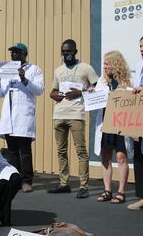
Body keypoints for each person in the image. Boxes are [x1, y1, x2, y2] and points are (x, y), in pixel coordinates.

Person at [49, 39, 99, 198]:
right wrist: (54, 95)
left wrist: (81, 92)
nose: (66, 54)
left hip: (76, 115)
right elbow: (52, 91)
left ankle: (83, 186)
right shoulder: (58, 70)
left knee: (81, 151)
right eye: (63, 51)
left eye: (69, 51)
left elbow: (98, 87)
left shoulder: (85, 68)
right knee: (61, 151)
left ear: (75, 52)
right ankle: (64, 183)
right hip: (59, 114)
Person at [0, 43, 44, 193]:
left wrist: (24, 78)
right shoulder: (7, 70)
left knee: (25, 150)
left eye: (17, 53)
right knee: (12, 151)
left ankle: (27, 181)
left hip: (23, 116)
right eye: (12, 53)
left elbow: (39, 90)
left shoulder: (34, 69)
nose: (13, 55)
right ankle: (15, 179)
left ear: (24, 54)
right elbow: (1, 93)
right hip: (9, 116)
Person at [93, 51, 132, 204]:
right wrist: (92, 93)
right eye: (104, 64)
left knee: (121, 156)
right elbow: (96, 99)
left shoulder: (126, 81)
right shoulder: (102, 81)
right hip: (106, 123)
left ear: (116, 64)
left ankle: (121, 191)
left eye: (107, 64)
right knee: (105, 156)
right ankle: (107, 190)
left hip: (121, 124)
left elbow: (131, 100)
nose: (105, 67)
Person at [128, 36, 143, 211]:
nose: (142, 49)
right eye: (140, 46)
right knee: (139, 157)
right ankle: (141, 197)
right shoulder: (139, 66)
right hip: (138, 119)